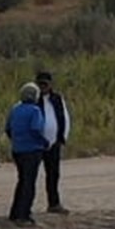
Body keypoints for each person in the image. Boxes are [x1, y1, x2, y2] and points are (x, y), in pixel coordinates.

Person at [2, 81, 51, 224]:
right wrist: (44, 142)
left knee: (22, 181)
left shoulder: (15, 109)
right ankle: (23, 215)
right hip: (32, 150)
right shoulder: (35, 111)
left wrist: (16, 140)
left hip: (17, 150)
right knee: (29, 184)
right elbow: (35, 129)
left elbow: (8, 128)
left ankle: (15, 212)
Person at [36, 71, 71, 213]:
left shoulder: (57, 99)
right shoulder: (32, 98)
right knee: (29, 177)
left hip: (53, 143)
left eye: (45, 83)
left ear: (50, 84)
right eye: (40, 83)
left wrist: (62, 137)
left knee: (53, 174)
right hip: (36, 144)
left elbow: (64, 117)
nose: (43, 86)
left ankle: (54, 203)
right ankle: (24, 208)